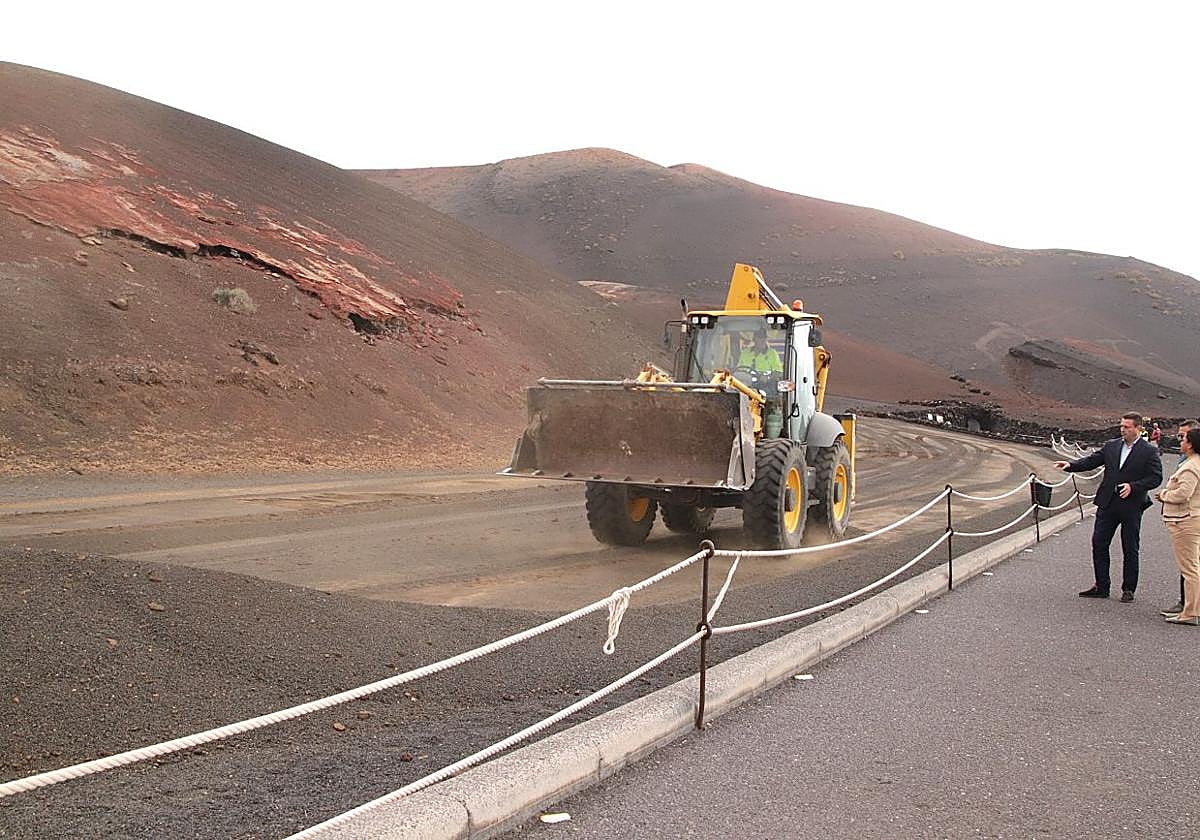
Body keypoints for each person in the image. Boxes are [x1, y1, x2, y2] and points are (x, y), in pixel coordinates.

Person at [1053, 412, 1163, 601]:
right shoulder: (1112, 446)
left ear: (1138, 428)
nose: (1123, 430)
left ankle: (1128, 589)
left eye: (1127, 427)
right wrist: (1070, 465)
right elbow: (1092, 461)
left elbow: (1155, 477)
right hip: (1108, 502)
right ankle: (1101, 586)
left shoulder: (1149, 451)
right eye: (1121, 426)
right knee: (1099, 542)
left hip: (1131, 505)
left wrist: (1133, 486)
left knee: (1130, 547)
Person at [1153, 426, 1200, 625]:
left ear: (1190, 444)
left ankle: (1190, 612)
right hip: (1190, 518)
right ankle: (1192, 609)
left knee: (1189, 569)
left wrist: (1163, 495)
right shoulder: (1193, 463)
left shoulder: (1191, 466)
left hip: (1185, 520)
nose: (1180, 442)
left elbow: (1183, 494)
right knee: (1193, 567)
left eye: (1183, 439)